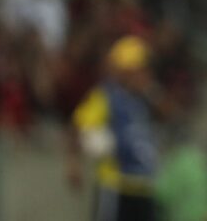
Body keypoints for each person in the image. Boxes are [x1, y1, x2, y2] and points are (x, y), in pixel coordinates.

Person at [68, 35, 173, 221]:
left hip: (143, 184)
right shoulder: (107, 96)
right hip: (116, 185)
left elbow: (169, 113)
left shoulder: (146, 98)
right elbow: (78, 125)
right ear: (125, 70)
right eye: (140, 68)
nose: (145, 73)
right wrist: (74, 164)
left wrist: (151, 92)